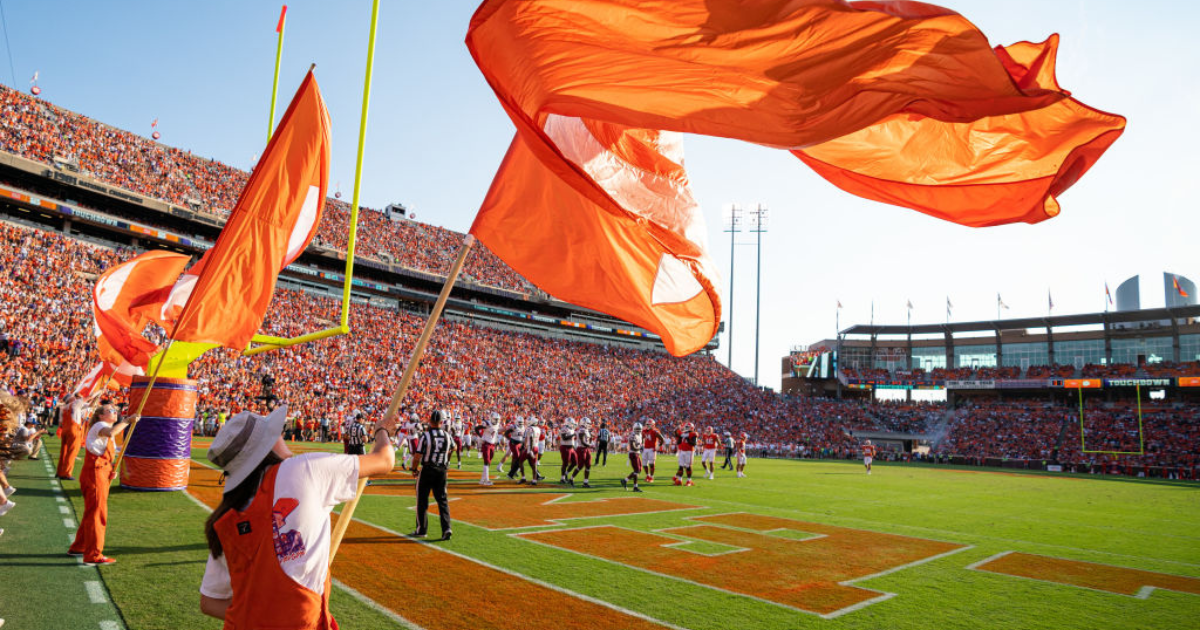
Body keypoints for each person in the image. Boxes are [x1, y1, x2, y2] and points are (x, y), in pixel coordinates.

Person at [199, 404, 396, 627]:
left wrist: (262, 613)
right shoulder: (302, 469)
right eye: (276, 433)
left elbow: (209, 601)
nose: (281, 435)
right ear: (267, 447)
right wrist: (383, 431)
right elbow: (384, 460)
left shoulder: (226, 516)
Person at [68, 404, 134, 566]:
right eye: (110, 410)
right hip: (94, 474)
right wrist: (127, 421)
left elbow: (105, 452)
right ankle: (93, 555)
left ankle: (79, 546)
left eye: (115, 411)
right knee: (98, 515)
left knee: (92, 512)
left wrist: (110, 469)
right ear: (101, 416)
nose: (115, 412)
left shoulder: (104, 427)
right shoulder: (101, 425)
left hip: (100, 472)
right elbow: (111, 432)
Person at [410, 409, 453, 541]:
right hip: (442, 470)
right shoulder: (447, 435)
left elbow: (417, 456)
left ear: (430, 421)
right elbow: (454, 447)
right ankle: (446, 528)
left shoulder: (426, 436)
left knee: (422, 500)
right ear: (441, 422)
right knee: (443, 500)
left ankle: (421, 529)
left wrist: (414, 469)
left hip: (428, 469)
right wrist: (447, 459)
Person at [57, 393, 89, 480]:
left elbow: (60, 424)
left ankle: (60, 472)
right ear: (70, 399)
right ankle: (66, 473)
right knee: (72, 452)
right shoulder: (75, 404)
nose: (75, 398)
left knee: (64, 451)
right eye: (73, 397)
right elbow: (88, 397)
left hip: (65, 430)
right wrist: (99, 392)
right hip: (74, 429)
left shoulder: (63, 408)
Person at [620, 422, 645, 493]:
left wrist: (640, 447)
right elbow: (633, 446)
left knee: (639, 470)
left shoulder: (640, 435)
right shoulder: (632, 434)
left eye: (639, 429)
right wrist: (640, 447)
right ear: (634, 428)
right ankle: (634, 486)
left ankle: (625, 481)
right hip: (633, 453)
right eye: (637, 428)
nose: (638, 430)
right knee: (637, 470)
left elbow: (639, 444)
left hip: (637, 453)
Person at [570, 418, 594, 488]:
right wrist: (590, 445)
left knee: (588, 465)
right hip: (581, 449)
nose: (589, 425)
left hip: (586, 449)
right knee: (580, 465)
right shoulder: (581, 430)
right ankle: (571, 478)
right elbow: (583, 441)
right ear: (584, 423)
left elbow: (588, 440)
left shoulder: (586, 430)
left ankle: (585, 482)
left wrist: (591, 436)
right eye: (588, 424)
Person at [477, 413, 500, 486]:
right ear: (492, 418)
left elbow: (495, 433)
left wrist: (497, 442)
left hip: (492, 445)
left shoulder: (497, 425)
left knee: (488, 462)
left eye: (497, 419)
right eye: (495, 419)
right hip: (486, 444)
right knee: (486, 461)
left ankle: (482, 479)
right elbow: (476, 428)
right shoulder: (486, 423)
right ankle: (486, 480)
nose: (497, 421)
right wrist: (481, 436)